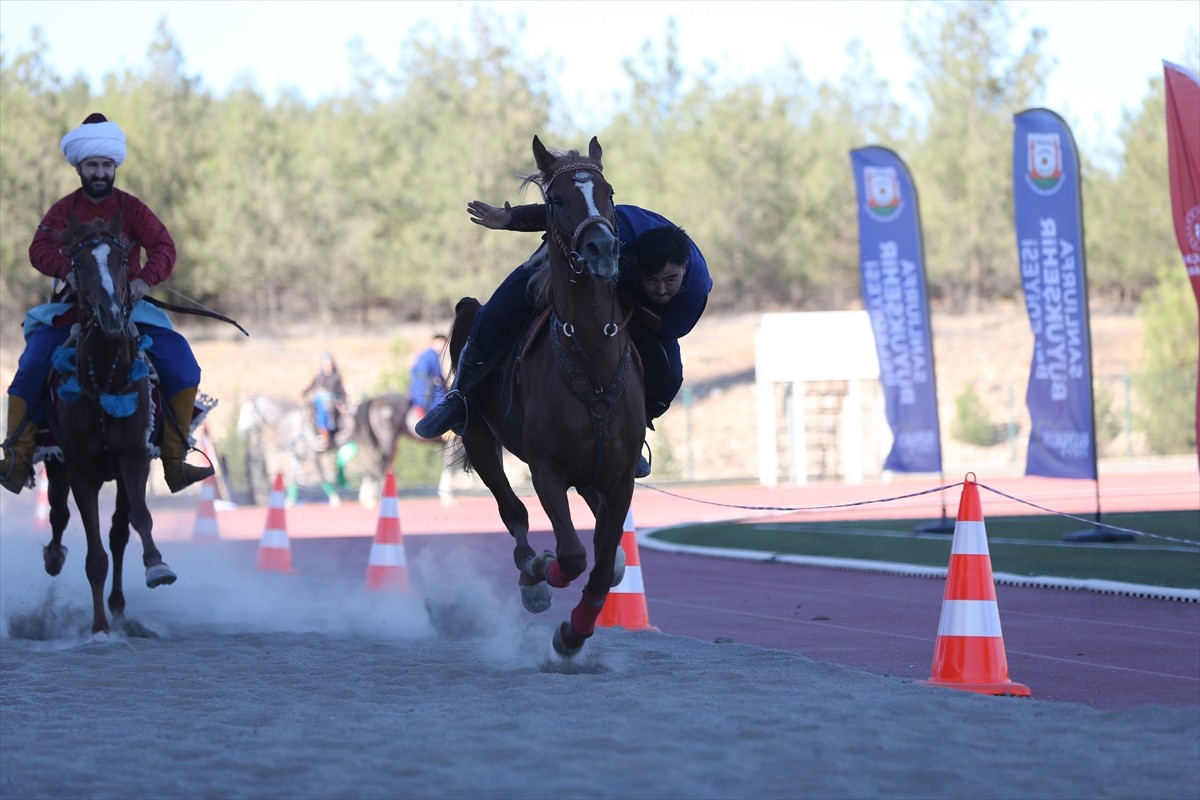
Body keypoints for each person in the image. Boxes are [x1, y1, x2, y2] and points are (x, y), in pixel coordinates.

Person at [415, 200, 712, 478]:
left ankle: (633, 432)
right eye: (653, 280)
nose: (661, 289)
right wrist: (511, 218)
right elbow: (563, 210)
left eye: (670, 281)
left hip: (629, 301)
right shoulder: (614, 224)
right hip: (570, 260)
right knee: (493, 315)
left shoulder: (696, 288)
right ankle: (459, 400)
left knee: (670, 373)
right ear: (635, 263)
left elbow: (666, 329)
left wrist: (625, 297)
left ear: (684, 270)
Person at [0, 113, 215, 495]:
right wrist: (67, 271)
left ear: (114, 167)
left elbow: (164, 247)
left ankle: (175, 461)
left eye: (105, 165)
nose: (99, 172)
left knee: (181, 360)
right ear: (80, 167)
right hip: (72, 310)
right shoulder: (64, 210)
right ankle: (16, 460)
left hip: (131, 309)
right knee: (32, 362)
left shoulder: (132, 209)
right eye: (92, 165)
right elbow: (39, 248)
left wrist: (143, 280)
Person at [300, 352, 348, 450]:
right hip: (318, 399)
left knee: (323, 410)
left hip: (330, 400)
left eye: (330, 365)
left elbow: (342, 392)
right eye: (326, 365)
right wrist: (304, 392)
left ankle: (324, 438)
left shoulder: (336, 378)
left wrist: (343, 404)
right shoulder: (319, 377)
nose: (328, 367)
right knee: (308, 410)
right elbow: (311, 386)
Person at [408, 333, 448, 427]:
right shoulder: (432, 355)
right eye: (441, 343)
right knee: (443, 401)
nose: (442, 346)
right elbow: (437, 375)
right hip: (425, 386)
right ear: (434, 342)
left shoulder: (425, 353)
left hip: (418, 384)